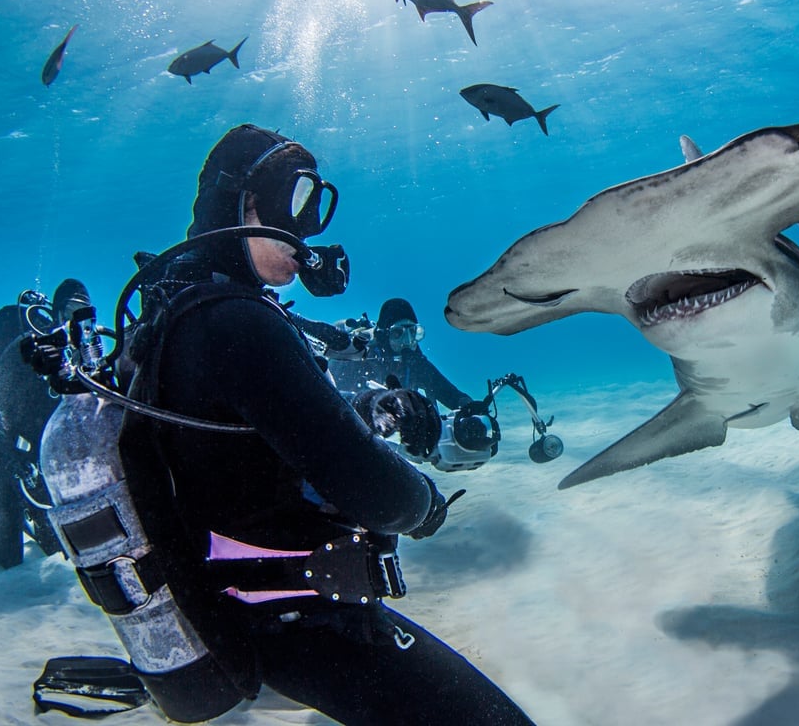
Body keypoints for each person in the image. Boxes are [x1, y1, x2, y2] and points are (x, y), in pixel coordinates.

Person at [108, 124, 533, 724]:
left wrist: (367, 416)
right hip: (293, 619)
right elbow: (372, 490)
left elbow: (252, 443)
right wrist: (425, 505)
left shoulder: (180, 311)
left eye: (314, 207)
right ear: (240, 203)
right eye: (292, 201)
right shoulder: (235, 322)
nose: (303, 230)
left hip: (239, 609)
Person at [0, 281, 88, 568]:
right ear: (56, 312)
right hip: (1, 450)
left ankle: (11, 505)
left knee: (54, 547)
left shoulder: (80, 363)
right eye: (72, 311)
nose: (75, 323)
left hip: (33, 460)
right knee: (9, 553)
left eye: (85, 314)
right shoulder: (27, 347)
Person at [328, 298, 473, 410]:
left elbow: (441, 387)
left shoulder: (414, 362)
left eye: (413, 332)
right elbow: (335, 401)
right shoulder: (360, 358)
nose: (408, 342)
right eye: (398, 333)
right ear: (385, 335)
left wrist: (466, 405)